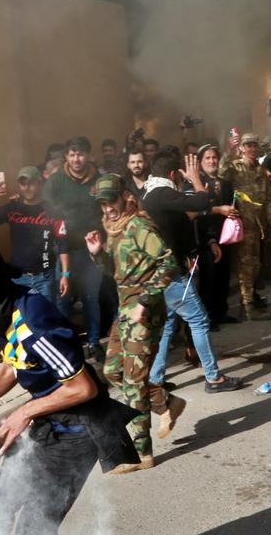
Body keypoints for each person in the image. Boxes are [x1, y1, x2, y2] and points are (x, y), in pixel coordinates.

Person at [0, 236, 139, 534]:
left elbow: (83, 388)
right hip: (50, 425)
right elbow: (13, 366)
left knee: (34, 527)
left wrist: (24, 412)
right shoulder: (5, 312)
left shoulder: (35, 323)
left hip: (77, 434)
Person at [85, 173, 179, 472]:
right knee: (113, 371)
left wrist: (145, 301)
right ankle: (165, 401)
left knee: (133, 384)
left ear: (124, 196)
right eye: (102, 203)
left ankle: (142, 453)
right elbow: (116, 271)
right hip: (125, 312)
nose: (107, 208)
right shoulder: (113, 228)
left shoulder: (139, 225)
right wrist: (97, 255)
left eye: (111, 200)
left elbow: (168, 263)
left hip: (143, 312)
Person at [139, 150, 243, 396]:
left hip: (161, 271)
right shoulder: (162, 193)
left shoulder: (151, 194)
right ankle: (214, 377)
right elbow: (199, 201)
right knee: (198, 320)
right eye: (180, 176)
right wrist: (196, 179)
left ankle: (155, 379)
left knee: (168, 324)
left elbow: (185, 216)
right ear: (174, 174)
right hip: (170, 272)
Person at [43, 136, 109, 361]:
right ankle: (67, 345)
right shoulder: (56, 181)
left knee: (91, 297)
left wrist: (104, 238)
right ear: (66, 156)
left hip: (91, 250)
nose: (76, 159)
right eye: (71, 154)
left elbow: (107, 210)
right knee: (63, 300)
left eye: (80, 154)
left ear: (89, 155)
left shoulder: (99, 180)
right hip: (64, 251)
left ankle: (93, 342)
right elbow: (47, 212)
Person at [0, 165, 70, 306]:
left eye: (31, 183)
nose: (27, 187)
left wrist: (65, 275)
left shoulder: (53, 211)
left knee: (46, 322)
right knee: (21, 323)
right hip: (18, 278)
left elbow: (63, 243)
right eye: (23, 183)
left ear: (39, 184)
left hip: (45, 277)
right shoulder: (13, 208)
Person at [219, 131, 271, 321]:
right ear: (242, 148)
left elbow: (267, 199)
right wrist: (229, 151)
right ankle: (248, 307)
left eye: (254, 145)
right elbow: (222, 172)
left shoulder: (260, 170)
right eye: (248, 145)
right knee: (245, 265)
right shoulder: (236, 167)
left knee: (256, 264)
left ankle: (250, 302)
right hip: (243, 223)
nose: (252, 149)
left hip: (259, 225)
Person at [197, 144, 237, 325]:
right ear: (200, 162)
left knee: (224, 275)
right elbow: (197, 211)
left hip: (226, 235)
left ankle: (221, 312)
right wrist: (219, 210)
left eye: (214, 157)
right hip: (206, 236)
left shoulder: (226, 183)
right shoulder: (197, 183)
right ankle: (208, 316)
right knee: (209, 278)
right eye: (207, 158)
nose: (212, 161)